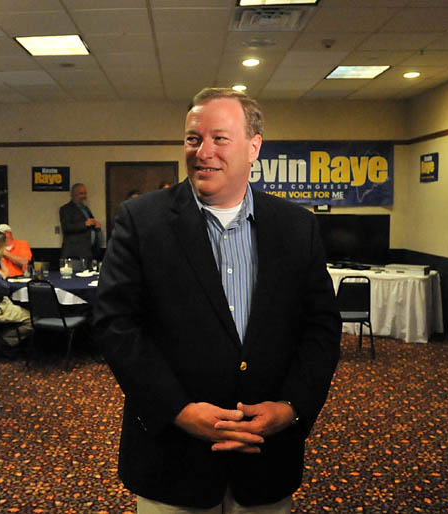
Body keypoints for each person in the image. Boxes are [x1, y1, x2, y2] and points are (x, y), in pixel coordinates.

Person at [94, 88, 341, 512]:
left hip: (266, 459)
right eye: (193, 138)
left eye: (219, 138)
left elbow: (320, 328)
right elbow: (115, 325)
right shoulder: (141, 220)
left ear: (254, 147)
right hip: (171, 460)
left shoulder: (296, 227)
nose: (203, 151)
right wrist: (179, 411)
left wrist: (291, 408)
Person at [59, 183, 101, 261]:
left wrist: (96, 225)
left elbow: (90, 225)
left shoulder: (85, 209)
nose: (84, 196)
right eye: (81, 194)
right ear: (74, 195)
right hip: (75, 254)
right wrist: (85, 224)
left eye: (85, 193)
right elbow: (66, 228)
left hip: (90, 252)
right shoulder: (66, 209)